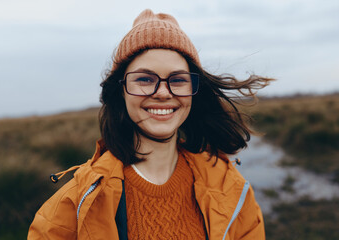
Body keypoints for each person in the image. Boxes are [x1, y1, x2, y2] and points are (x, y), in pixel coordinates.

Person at [28, 9, 273, 240]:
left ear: (193, 91)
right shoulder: (74, 204)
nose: (163, 93)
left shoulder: (231, 187)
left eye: (177, 80)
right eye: (145, 79)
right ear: (120, 91)